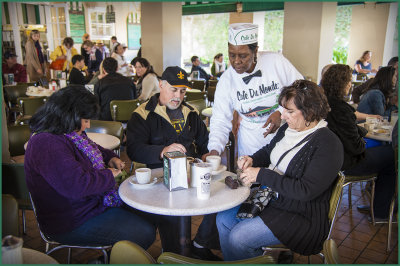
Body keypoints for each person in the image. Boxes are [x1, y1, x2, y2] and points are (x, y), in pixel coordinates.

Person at [216, 80, 343, 260]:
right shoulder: (288, 128)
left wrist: (261, 174)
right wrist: (252, 159)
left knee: (239, 238)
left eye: (289, 111)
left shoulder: (328, 144)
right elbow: (270, 151)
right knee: (223, 219)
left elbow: (305, 191)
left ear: (311, 111)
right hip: (272, 201)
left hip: (301, 214)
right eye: (283, 109)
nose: (282, 116)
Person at [24, 86, 156, 248]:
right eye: (85, 120)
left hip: (90, 205)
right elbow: (76, 185)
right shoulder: (46, 143)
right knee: (144, 232)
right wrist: (109, 175)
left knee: (149, 213)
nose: (87, 125)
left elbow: (93, 148)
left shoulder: (68, 131)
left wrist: (111, 157)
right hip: (70, 221)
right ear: (69, 115)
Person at [126, 66, 221, 260]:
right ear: (161, 85)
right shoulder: (143, 114)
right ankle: (174, 255)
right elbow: (134, 149)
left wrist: (207, 155)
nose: (178, 95)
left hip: (191, 173)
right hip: (160, 177)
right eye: (174, 89)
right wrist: (161, 151)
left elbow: (203, 142)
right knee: (172, 214)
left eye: (183, 90)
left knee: (219, 200)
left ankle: (201, 243)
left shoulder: (191, 112)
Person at [203, 23, 303, 161]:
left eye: (243, 56)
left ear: (255, 51)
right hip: (251, 140)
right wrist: (214, 150)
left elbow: (302, 89)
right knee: (252, 177)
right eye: (232, 55)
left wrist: (281, 112)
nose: (236, 61)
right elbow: (220, 119)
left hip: (285, 135)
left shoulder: (276, 61)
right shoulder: (227, 80)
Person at [321, 64, 396, 222]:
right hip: (345, 163)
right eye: (349, 81)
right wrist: (361, 137)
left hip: (329, 161)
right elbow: (356, 147)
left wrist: (358, 131)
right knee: (391, 156)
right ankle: (381, 212)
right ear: (342, 84)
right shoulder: (341, 109)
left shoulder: (323, 103)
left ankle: (377, 205)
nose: (350, 84)